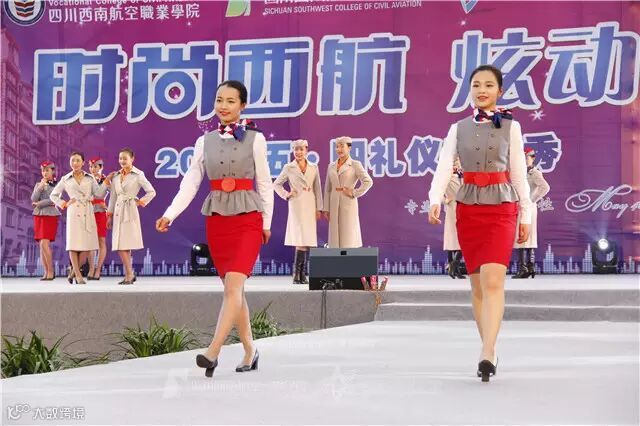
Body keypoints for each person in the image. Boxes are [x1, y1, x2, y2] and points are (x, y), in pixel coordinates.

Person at [155, 80, 274, 378]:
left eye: (231, 101)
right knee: (234, 291)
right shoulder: (203, 141)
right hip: (218, 220)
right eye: (219, 99)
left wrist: (267, 222)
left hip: (248, 218)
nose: (223, 106)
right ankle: (250, 351)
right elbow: (191, 182)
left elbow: (264, 183)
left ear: (243, 105)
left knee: (233, 287)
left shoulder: (256, 139)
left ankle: (213, 352)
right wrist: (170, 214)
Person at [428, 65, 532, 382]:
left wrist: (526, 213)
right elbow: (444, 165)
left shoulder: (511, 127)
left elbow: (519, 174)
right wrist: (435, 198)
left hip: (502, 207)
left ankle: (486, 353)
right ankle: (491, 348)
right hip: (469, 208)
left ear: (500, 91)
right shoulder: (457, 128)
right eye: (476, 85)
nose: (482, 90)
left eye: (488, 85)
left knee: (493, 280)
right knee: (476, 286)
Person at [50, 152, 108, 284]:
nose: (75, 163)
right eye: (72, 161)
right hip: (74, 212)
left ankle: (72, 273)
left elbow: (98, 193)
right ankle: (78, 275)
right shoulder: (66, 178)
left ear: (83, 163)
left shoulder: (90, 178)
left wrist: (105, 182)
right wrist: (64, 203)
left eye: (77, 160)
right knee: (73, 245)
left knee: (88, 246)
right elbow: (53, 195)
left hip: (88, 211)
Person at [273, 139, 323, 284]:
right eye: (296, 149)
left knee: (306, 239)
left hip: (310, 203)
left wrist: (319, 208)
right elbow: (276, 184)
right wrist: (287, 194)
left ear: (306, 150)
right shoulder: (289, 167)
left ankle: (300, 275)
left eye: (301, 149)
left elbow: (318, 188)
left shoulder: (313, 167)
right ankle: (298, 275)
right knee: (300, 239)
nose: (298, 152)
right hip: (297, 204)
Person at [106, 148, 156, 285]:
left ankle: (129, 274)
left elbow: (151, 192)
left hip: (129, 211)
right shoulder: (116, 176)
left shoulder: (138, 174)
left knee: (124, 245)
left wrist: (140, 202)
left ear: (132, 159)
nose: (122, 161)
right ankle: (129, 274)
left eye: (125, 158)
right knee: (121, 245)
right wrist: (109, 215)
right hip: (117, 212)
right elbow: (113, 197)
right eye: (120, 158)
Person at [322, 137, 373, 248]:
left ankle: (348, 257)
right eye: (337, 147)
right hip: (333, 204)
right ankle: (336, 257)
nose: (339, 149)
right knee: (334, 240)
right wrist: (326, 208)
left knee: (348, 237)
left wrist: (354, 192)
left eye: (342, 146)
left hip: (347, 203)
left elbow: (368, 181)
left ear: (349, 148)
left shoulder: (355, 164)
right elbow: (328, 189)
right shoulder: (331, 166)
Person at [512, 147, 550, 279]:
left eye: (527, 157)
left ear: (533, 158)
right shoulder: (520, 172)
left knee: (525, 235)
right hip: (521, 206)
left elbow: (545, 187)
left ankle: (525, 268)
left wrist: (531, 199)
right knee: (526, 236)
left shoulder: (534, 173)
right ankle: (529, 267)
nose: (525, 160)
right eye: (523, 157)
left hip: (527, 207)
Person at [31, 160, 61, 281]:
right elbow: (33, 198)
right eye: (43, 170)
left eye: (47, 170)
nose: (45, 173)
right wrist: (40, 188)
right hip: (38, 215)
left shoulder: (57, 185)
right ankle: (46, 271)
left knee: (44, 243)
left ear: (53, 171)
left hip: (50, 215)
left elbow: (53, 200)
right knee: (41, 245)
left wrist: (39, 203)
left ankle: (51, 271)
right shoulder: (38, 184)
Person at [443, 157, 465, 279]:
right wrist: (446, 200)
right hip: (452, 209)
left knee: (464, 238)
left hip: (464, 208)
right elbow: (437, 191)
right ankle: (453, 266)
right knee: (452, 238)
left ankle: (454, 266)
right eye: (455, 160)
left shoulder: (463, 174)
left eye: (458, 159)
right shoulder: (445, 174)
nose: (457, 162)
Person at [87, 157, 109, 280]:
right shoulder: (86, 179)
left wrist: (107, 207)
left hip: (100, 212)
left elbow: (115, 194)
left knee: (101, 241)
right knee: (91, 242)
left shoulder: (105, 180)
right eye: (91, 166)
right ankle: (91, 268)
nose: (93, 169)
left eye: (95, 166)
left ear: (101, 167)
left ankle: (98, 269)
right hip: (88, 212)